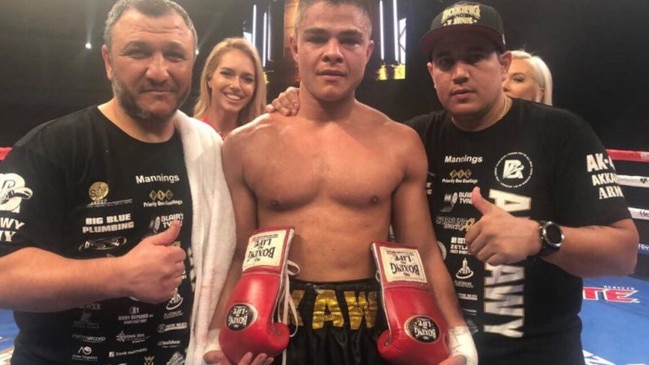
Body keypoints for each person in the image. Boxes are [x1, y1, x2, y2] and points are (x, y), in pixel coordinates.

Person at [267, 1, 639, 364]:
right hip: (436, 347)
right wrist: (297, 104)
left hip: (536, 353)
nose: (459, 72)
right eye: (446, 62)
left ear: (503, 64)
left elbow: (623, 252)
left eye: (475, 57)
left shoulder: (560, 132)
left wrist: (539, 237)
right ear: (432, 72)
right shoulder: (415, 138)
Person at [204, 1, 476, 365]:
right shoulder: (244, 144)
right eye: (317, 39)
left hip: (374, 329)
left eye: (349, 40)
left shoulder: (400, 142)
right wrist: (212, 342)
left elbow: (423, 251)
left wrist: (459, 341)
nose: (333, 53)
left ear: (368, 51)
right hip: (277, 327)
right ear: (296, 47)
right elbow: (240, 253)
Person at [0, 0, 237, 363]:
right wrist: (119, 274)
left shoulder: (207, 151)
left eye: (175, 55)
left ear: (192, 63)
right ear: (108, 60)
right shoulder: (52, 148)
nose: (159, 72)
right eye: (138, 52)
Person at [193, 37, 267, 138]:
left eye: (247, 79)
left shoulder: (260, 139)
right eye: (227, 74)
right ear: (209, 78)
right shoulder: (187, 133)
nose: (236, 85)